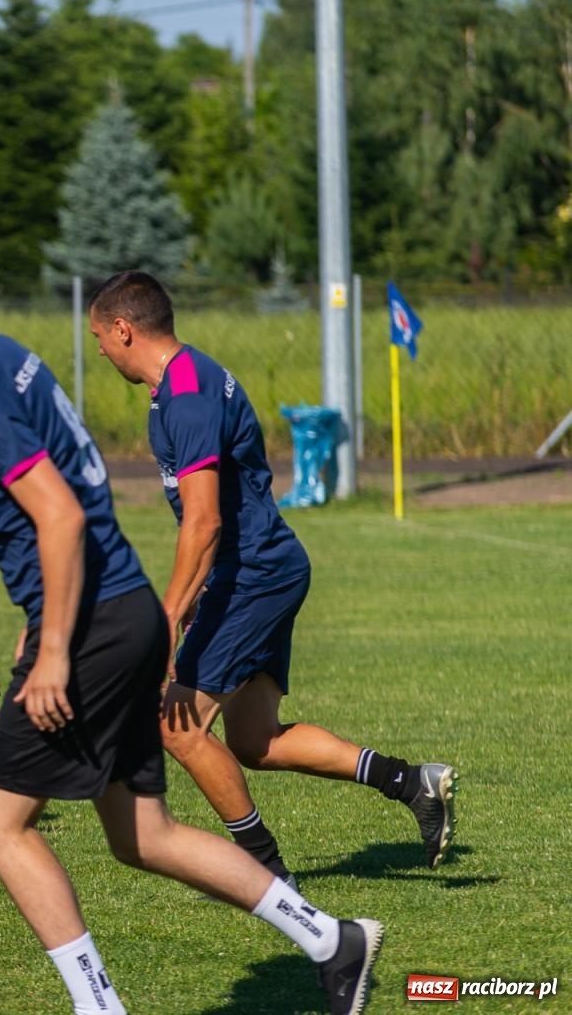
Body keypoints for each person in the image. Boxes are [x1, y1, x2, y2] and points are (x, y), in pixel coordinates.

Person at [0, 218, 382, 1015]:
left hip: (90, 629)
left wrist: (53, 646)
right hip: (120, 610)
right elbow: (81, 494)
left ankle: (100, 1006)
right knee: (142, 835)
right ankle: (331, 939)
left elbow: (60, 514)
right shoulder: (6, 358)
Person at [86, 270, 457, 877]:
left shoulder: (188, 393)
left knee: (178, 727)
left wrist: (166, 619)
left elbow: (204, 521)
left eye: (99, 336)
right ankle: (410, 782)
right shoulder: (178, 386)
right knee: (255, 741)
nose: (99, 350)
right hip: (259, 569)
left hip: (253, 574)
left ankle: (268, 875)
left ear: (123, 329)